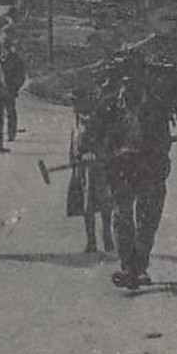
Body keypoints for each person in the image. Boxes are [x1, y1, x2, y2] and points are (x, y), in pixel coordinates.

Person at [95, 50, 177, 289]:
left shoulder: (156, 106)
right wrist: (111, 152)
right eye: (124, 78)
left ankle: (139, 266)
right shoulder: (109, 106)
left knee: (147, 220)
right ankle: (127, 266)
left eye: (133, 77)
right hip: (119, 171)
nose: (128, 83)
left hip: (149, 169)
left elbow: (164, 142)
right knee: (122, 217)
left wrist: (142, 151)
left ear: (142, 77)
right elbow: (94, 136)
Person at [66, 87, 114, 255]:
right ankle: (91, 241)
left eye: (75, 101)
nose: (73, 105)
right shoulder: (76, 119)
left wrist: (96, 153)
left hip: (98, 168)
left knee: (104, 204)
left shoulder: (96, 118)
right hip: (82, 169)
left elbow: (106, 140)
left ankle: (107, 238)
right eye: (72, 102)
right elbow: (73, 141)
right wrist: (73, 160)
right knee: (87, 206)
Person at [0, 39, 27, 141]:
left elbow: (21, 76)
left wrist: (15, 87)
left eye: (6, 48)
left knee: (10, 112)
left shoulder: (16, 60)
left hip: (9, 90)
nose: (4, 51)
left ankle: (11, 134)